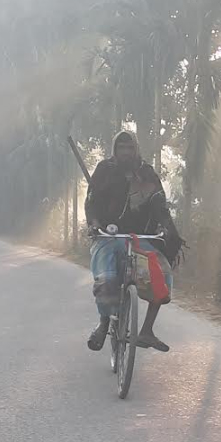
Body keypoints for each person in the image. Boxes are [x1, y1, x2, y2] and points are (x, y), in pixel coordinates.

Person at [85, 130, 184, 352]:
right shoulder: (104, 170)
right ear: (115, 149)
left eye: (130, 148)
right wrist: (94, 224)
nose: (126, 153)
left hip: (140, 240)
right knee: (106, 280)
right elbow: (91, 202)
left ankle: (147, 330)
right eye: (121, 148)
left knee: (161, 276)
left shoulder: (147, 173)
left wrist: (165, 228)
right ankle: (103, 323)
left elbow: (159, 205)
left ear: (136, 149)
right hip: (108, 237)